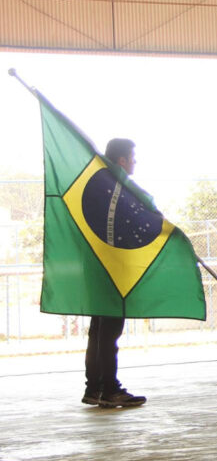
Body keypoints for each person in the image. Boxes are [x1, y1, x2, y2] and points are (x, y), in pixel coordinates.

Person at [82, 138, 148, 408]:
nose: (135, 162)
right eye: (132, 157)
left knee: (98, 330)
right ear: (122, 160)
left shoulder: (96, 185)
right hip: (110, 267)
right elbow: (142, 219)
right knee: (109, 331)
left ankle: (94, 388)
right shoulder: (118, 189)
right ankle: (110, 389)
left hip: (94, 266)